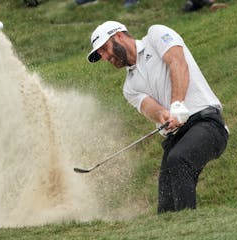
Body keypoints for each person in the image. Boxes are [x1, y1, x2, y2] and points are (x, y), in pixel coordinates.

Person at [86, 21, 228, 213]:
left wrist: (177, 104)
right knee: (166, 209)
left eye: (104, 48)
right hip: (177, 136)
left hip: (207, 123)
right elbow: (149, 108)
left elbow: (177, 61)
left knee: (178, 159)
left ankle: (189, 224)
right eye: (101, 54)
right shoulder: (130, 87)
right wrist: (163, 114)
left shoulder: (155, 35)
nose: (105, 57)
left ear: (119, 36)